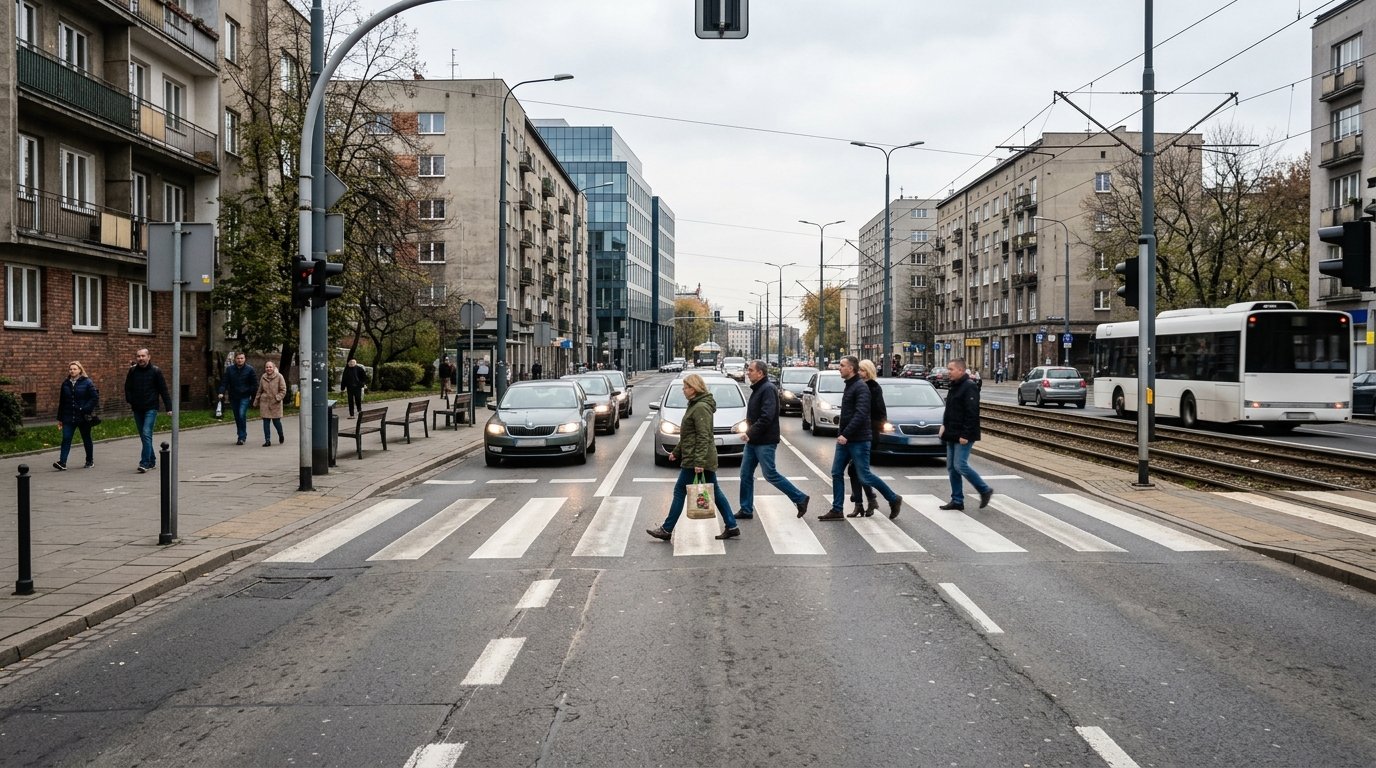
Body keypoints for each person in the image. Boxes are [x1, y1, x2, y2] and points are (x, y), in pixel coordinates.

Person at [647, 374, 740, 541]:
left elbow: (703, 436)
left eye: (685, 387)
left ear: (694, 388)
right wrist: (676, 451)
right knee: (715, 491)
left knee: (679, 490)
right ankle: (732, 525)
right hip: (695, 455)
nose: (683, 390)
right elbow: (688, 435)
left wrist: (699, 462)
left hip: (696, 458)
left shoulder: (700, 407)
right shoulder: (695, 405)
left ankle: (667, 529)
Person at [820, 356, 902, 521]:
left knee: (864, 475)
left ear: (851, 368)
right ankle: (837, 509)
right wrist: (841, 433)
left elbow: (861, 413)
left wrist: (845, 434)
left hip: (859, 439)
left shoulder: (861, 387)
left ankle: (893, 498)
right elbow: (849, 414)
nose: (839, 368)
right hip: (845, 439)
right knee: (836, 472)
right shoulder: (850, 386)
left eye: (842, 366)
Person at [738, 360, 809, 519]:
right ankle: (746, 509)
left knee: (770, 474)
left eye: (750, 370)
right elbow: (757, 415)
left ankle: (800, 498)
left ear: (760, 373)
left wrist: (750, 432)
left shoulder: (768, 389)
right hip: (754, 441)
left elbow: (767, 416)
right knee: (745, 474)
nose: (748, 372)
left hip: (765, 441)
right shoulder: (759, 388)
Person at [939, 358, 993, 511]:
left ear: (960, 370)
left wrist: (966, 434)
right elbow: (950, 409)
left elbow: (972, 413)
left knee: (960, 465)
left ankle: (984, 489)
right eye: (948, 369)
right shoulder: (954, 386)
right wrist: (944, 425)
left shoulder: (969, 387)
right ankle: (957, 500)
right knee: (951, 467)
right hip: (951, 431)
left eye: (951, 369)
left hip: (963, 434)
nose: (948, 372)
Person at [845, 359, 885, 517]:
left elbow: (880, 414)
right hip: (857, 434)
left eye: (861, 370)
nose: (858, 373)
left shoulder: (873, 388)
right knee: (856, 470)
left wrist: (868, 427)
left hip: (867, 435)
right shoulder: (856, 386)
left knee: (859, 471)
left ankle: (871, 499)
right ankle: (865, 501)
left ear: (868, 372)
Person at [124, 348, 172, 474]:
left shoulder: (156, 371)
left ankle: (144, 463)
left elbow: (163, 390)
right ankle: (152, 461)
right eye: (138, 356)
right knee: (144, 436)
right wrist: (130, 400)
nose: (141, 358)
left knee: (146, 433)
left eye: (143, 356)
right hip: (137, 407)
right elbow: (127, 388)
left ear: (148, 357)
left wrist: (169, 407)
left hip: (151, 407)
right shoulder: (133, 371)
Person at [54, 361, 98, 470]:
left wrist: (85, 408)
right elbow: (62, 402)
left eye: (74, 369)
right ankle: (62, 462)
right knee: (66, 438)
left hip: (83, 417)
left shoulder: (87, 382)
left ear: (80, 370)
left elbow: (94, 397)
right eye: (70, 369)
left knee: (86, 438)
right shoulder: (65, 384)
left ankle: (89, 461)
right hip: (68, 416)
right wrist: (60, 418)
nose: (72, 371)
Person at [218, 352, 257, 445]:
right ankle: (241, 434)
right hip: (234, 396)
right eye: (238, 358)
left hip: (245, 396)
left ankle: (241, 437)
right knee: (237, 417)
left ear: (245, 359)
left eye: (242, 358)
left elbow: (254, 384)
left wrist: (250, 392)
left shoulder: (250, 369)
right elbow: (224, 382)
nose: (240, 360)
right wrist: (221, 392)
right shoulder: (230, 370)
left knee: (241, 414)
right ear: (235, 359)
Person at [254, 360, 288, 446]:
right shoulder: (263, 377)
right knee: (266, 422)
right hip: (265, 402)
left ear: (274, 367)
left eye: (270, 367)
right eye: (267, 367)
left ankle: (281, 434)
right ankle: (267, 440)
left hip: (275, 403)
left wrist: (277, 398)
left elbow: (283, 390)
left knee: (276, 422)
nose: (268, 368)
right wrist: (256, 400)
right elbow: (260, 390)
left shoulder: (279, 376)